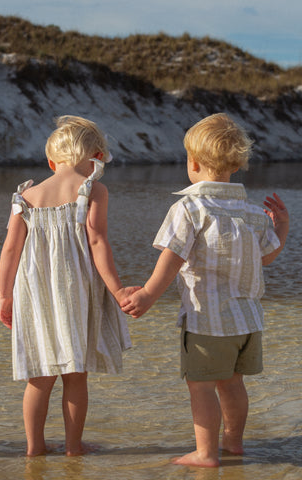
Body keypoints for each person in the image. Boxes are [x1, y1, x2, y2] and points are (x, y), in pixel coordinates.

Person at [121, 113, 289, 467]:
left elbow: (173, 256)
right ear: (236, 164)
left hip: (207, 320)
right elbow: (267, 258)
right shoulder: (252, 213)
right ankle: (234, 443)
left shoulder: (190, 207)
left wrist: (149, 294)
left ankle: (206, 453)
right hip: (247, 322)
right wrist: (283, 229)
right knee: (233, 384)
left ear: (193, 163)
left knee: (201, 386)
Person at [0, 115, 139, 457]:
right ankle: (74, 448)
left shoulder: (26, 197)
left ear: (51, 161)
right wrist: (119, 291)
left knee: (39, 377)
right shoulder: (93, 190)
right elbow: (98, 243)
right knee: (76, 376)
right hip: (75, 292)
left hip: (33, 295)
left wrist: (4, 296)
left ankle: (35, 448)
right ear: (95, 159)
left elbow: (10, 250)